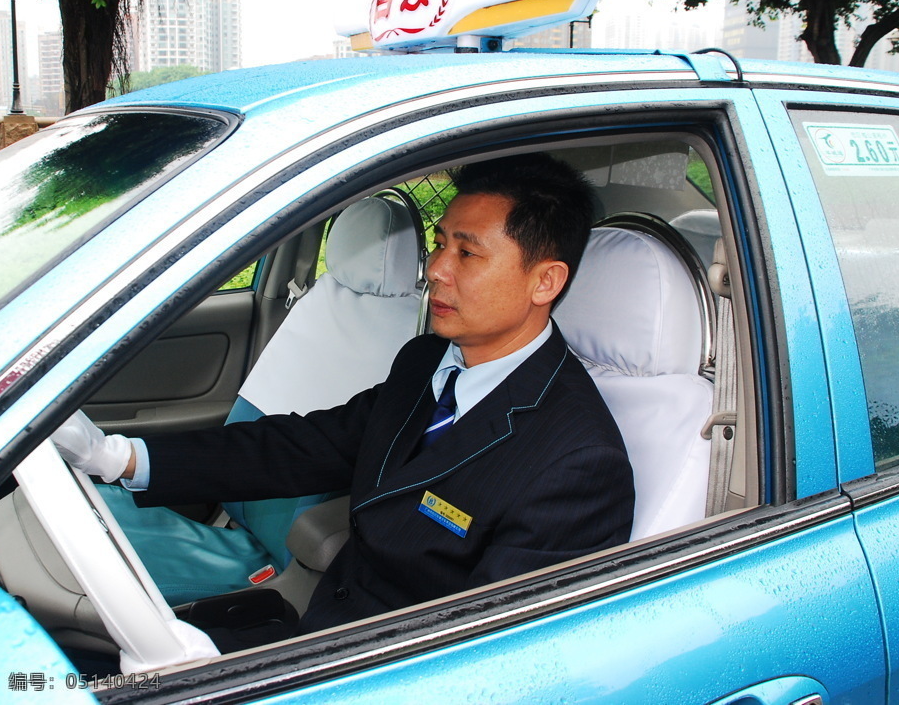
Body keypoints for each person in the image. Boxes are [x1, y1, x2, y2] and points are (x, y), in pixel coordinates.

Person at [52, 154, 634, 639]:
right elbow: (307, 445)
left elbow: (491, 655)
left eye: (467, 253)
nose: (435, 269)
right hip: (322, 619)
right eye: (438, 245)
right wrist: (119, 457)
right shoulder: (426, 360)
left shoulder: (578, 463)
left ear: (545, 281)